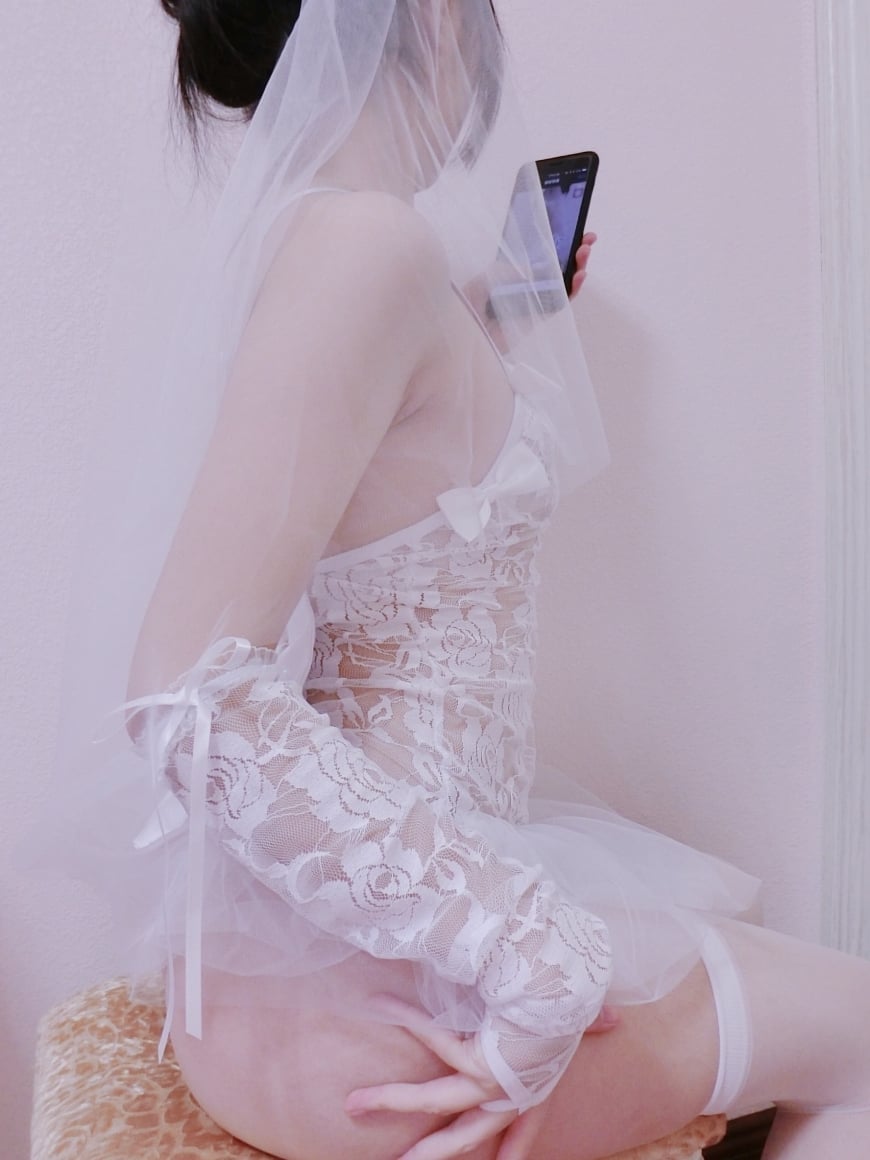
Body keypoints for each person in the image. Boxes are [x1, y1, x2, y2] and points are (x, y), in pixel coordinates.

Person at [49, 2, 870, 1159]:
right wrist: (529, 951)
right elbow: (183, 690)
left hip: (290, 978)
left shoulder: (324, 243)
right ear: (433, 18)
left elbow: (389, 485)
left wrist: (491, 316)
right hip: (405, 1007)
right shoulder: (367, 244)